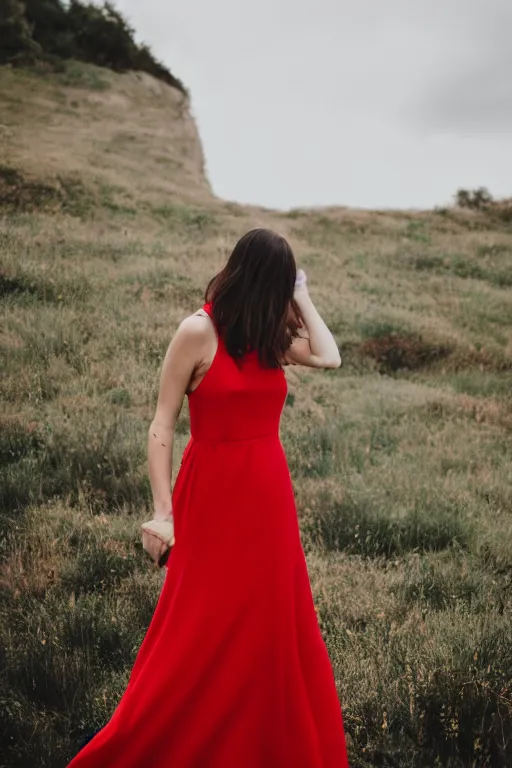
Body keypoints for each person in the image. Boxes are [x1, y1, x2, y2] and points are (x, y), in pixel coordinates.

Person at [67, 228, 350, 767]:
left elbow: (330, 356)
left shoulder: (267, 334)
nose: (283, 301)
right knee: (200, 627)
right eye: (279, 287)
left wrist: (305, 296)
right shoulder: (198, 331)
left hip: (268, 498)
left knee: (270, 628)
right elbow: (162, 424)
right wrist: (162, 511)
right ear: (255, 279)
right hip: (212, 494)